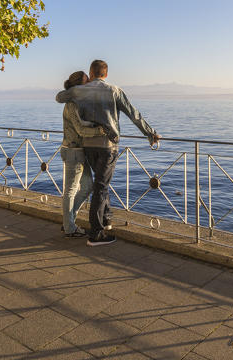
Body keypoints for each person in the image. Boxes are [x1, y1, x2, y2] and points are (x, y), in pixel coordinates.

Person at [56, 59, 160, 247]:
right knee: (101, 186)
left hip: (87, 146)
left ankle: (106, 219)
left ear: (91, 73)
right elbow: (133, 114)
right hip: (107, 146)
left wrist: (73, 90)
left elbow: (60, 97)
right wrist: (150, 133)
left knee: (101, 183)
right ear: (106, 74)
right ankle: (96, 234)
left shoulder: (80, 91)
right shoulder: (114, 90)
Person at [60, 71, 105, 237]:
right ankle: (69, 227)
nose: (89, 85)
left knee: (87, 187)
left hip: (79, 151)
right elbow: (79, 129)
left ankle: (69, 220)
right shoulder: (72, 104)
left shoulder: (79, 102)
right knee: (70, 191)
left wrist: (95, 124)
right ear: (79, 86)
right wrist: (99, 131)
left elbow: (82, 123)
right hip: (73, 152)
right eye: (87, 82)